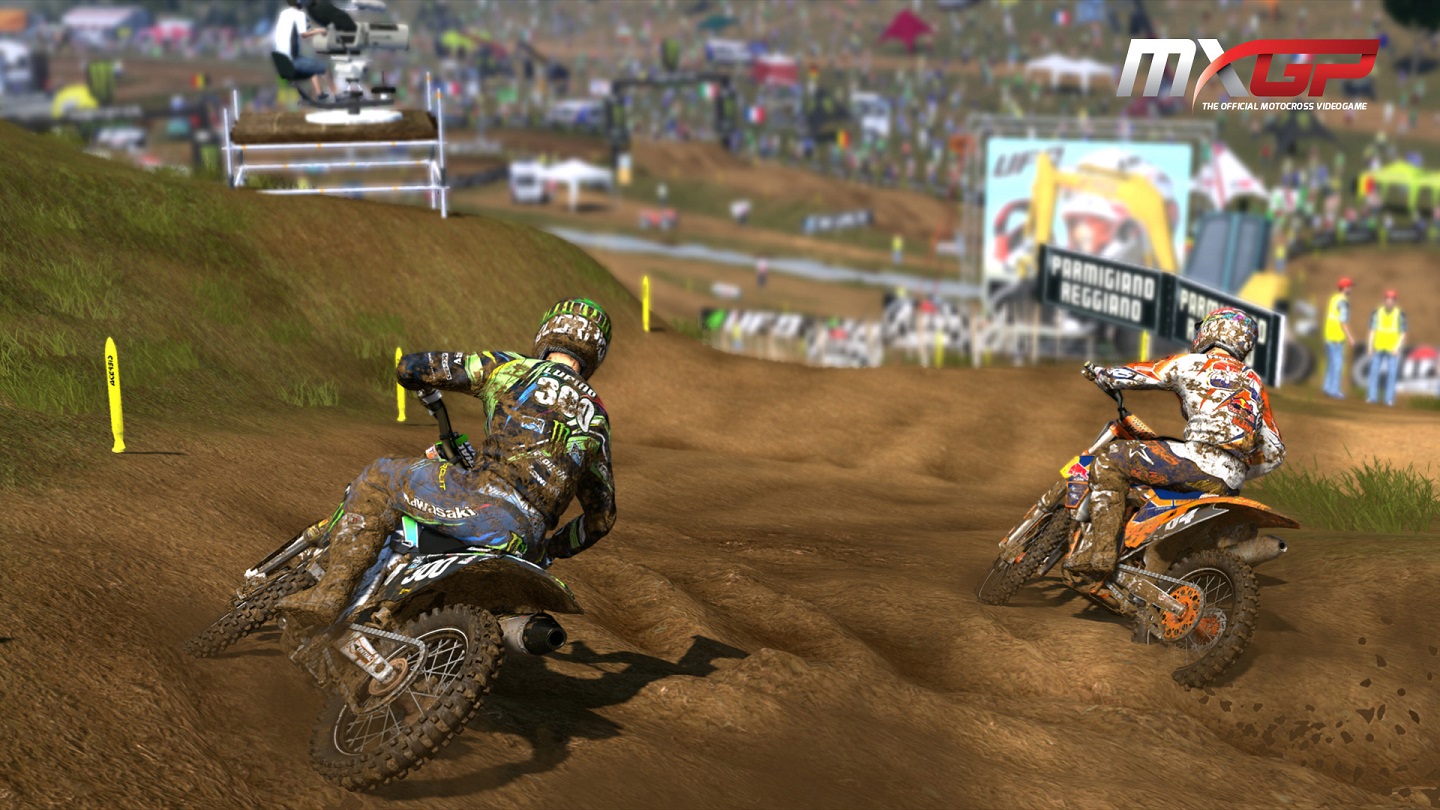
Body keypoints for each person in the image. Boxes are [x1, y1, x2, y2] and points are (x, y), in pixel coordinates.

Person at [277, 299, 617, 631]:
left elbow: (411, 367)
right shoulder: (598, 421)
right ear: (596, 353)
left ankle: (328, 595)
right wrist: (551, 548)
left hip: (478, 501)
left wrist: (416, 379)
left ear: (548, 331)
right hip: (526, 540)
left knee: (379, 476)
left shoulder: (512, 368)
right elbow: (601, 519)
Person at [1063, 308, 1287, 595]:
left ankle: (1101, 554)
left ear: (1211, 331)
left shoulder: (1194, 363)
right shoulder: (1254, 382)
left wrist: (1103, 374)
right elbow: (1275, 450)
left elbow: (1143, 373)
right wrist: (1238, 466)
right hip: (1229, 483)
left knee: (1109, 460)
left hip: (1193, 462)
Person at [273, 0, 337, 101]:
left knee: (312, 66)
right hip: (292, 61)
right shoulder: (299, 14)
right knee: (324, 69)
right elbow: (304, 34)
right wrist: (320, 30)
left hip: (280, 62)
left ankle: (319, 93)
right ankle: (337, 95)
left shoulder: (283, 14)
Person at [1366, 289, 1407, 406]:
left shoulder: (1400, 314)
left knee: (1392, 374)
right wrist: (1370, 346)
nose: (1390, 301)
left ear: (1395, 301)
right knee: (1374, 372)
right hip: (1378, 347)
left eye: (1392, 299)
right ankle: (1372, 397)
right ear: (1384, 300)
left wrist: (1397, 347)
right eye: (1388, 299)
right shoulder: (1376, 312)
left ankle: (1389, 399)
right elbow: (1372, 330)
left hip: (1392, 349)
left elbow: (1403, 333)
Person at [1322, 277, 1356, 398]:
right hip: (1337, 336)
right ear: (1345, 288)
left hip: (1328, 335)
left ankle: (1327, 387)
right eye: (1350, 287)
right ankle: (1334, 390)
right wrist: (1350, 337)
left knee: (1331, 363)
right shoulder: (1343, 302)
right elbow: (1342, 322)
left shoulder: (1334, 298)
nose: (1351, 289)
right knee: (1337, 365)